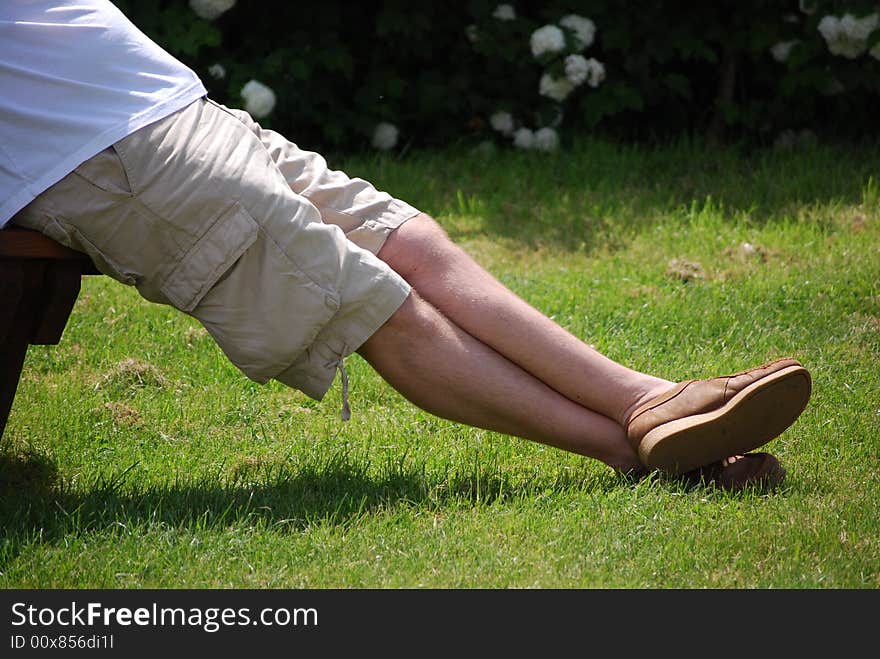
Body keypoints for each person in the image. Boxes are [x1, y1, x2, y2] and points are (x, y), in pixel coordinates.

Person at [1, 0, 811, 491]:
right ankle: (653, 457)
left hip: (167, 109)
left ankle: (645, 397)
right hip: (104, 156)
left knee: (409, 240)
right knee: (373, 304)